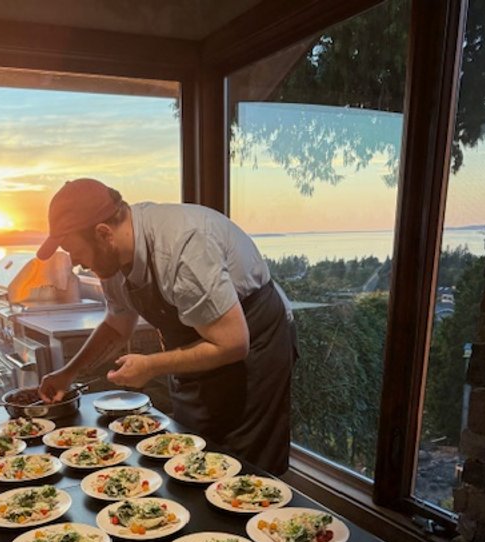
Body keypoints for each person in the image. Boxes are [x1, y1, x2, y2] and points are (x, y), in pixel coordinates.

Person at [36, 178, 297, 474]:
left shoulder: (183, 248)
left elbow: (232, 344)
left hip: (253, 348)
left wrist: (151, 365)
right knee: (191, 454)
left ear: (103, 233)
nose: (75, 263)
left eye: (74, 250)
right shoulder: (112, 257)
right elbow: (117, 326)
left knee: (243, 466)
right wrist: (67, 373)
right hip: (200, 346)